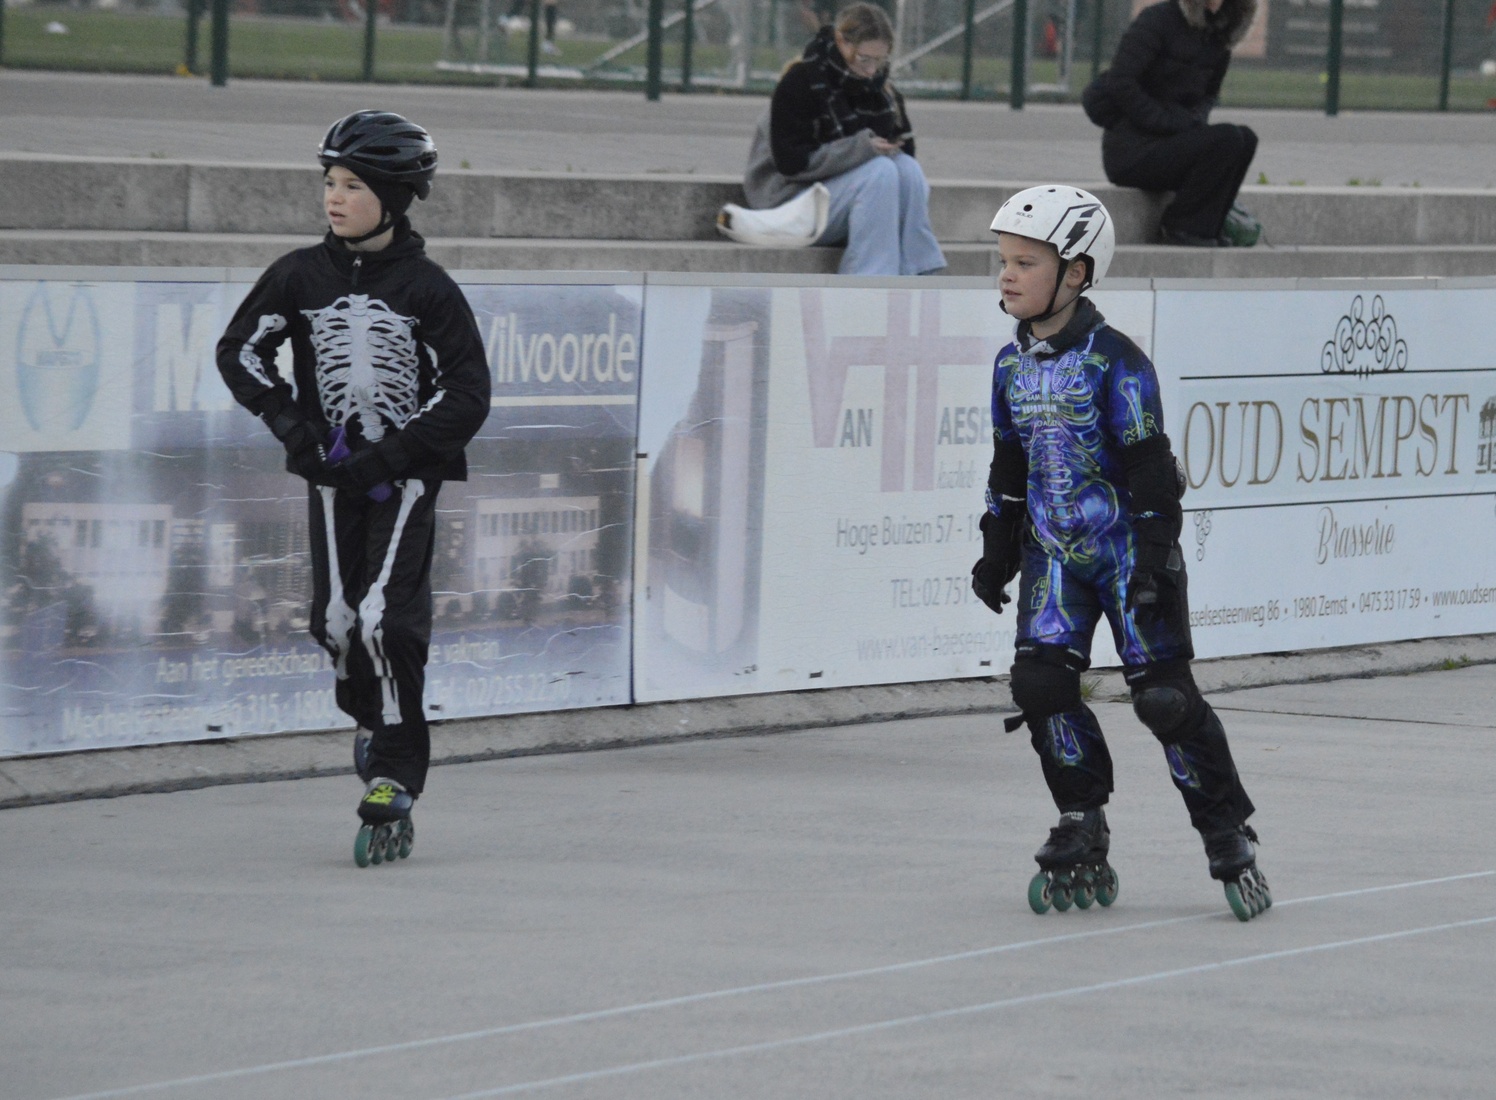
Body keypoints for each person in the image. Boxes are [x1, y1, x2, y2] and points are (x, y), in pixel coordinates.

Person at [971, 185, 1270, 921]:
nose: (1007, 274)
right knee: (1040, 686)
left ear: (1075, 273)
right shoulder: (1009, 366)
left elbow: (1149, 467)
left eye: (1025, 263)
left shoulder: (1118, 362)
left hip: (1129, 551)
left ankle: (1225, 828)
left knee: (1164, 699)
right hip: (1054, 553)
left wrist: (1157, 556)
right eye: (1004, 260)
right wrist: (995, 546)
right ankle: (1081, 817)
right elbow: (1009, 463)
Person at [215, 109, 491, 867]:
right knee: (337, 623)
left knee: (384, 620)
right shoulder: (299, 276)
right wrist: (292, 427)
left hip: (405, 478)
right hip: (332, 472)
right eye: (330, 183)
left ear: (395, 198)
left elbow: (467, 393)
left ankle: (396, 769)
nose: (335, 198)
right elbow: (240, 353)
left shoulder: (428, 289)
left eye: (354, 186)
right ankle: (372, 717)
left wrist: (394, 454)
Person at [743, 2, 946, 276]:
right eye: (865, 59)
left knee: (907, 169)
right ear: (842, 42)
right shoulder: (801, 81)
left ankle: (920, 270)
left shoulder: (882, 92)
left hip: (846, 198)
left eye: (880, 60)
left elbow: (906, 153)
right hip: (787, 201)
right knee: (879, 171)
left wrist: (893, 145)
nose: (872, 70)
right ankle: (869, 279)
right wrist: (861, 149)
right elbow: (791, 163)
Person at [1084, 0, 1259, 247]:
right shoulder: (1158, 19)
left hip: (1173, 144)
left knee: (1245, 139)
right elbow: (1121, 82)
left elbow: (1209, 95)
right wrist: (1167, 121)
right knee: (1227, 138)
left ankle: (1208, 229)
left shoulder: (1221, 31)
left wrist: (1192, 122)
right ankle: (1181, 227)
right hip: (1132, 151)